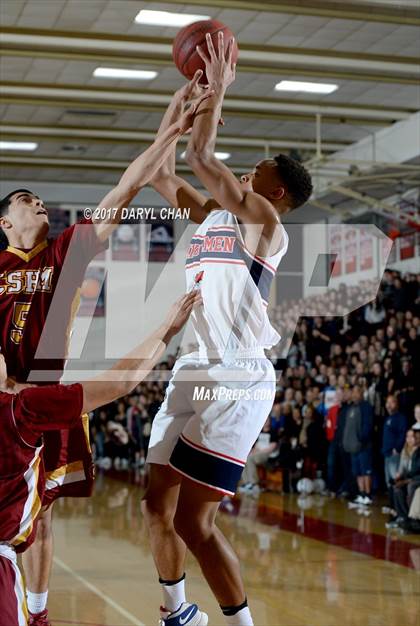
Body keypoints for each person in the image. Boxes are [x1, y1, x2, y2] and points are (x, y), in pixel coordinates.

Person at [0, 92, 211, 626]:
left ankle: (40, 614)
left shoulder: (66, 250)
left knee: (41, 515)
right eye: (26, 199)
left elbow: (129, 186)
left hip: (38, 400)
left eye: (40, 198)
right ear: (4, 222)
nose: (38, 202)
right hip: (2, 399)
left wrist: (173, 128)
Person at [144, 34, 312, 626]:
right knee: (155, 501)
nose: (247, 170)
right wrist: (185, 96)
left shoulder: (264, 221)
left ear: (277, 191)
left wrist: (218, 94)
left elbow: (201, 159)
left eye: (258, 170)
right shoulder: (215, 214)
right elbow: (163, 168)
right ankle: (176, 613)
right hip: (196, 365)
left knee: (195, 521)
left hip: (238, 375)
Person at [0, 290, 201, 626]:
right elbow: (120, 381)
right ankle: (38, 613)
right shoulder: (21, 410)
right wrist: (167, 328)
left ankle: (39, 610)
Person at [343, 386, 374, 505]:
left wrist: (362, 439)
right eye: (353, 393)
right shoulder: (350, 408)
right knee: (357, 472)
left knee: (366, 471)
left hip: (363, 446)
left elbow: (367, 425)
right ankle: (361, 494)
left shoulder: (366, 407)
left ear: (361, 394)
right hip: (352, 446)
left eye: (357, 393)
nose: (354, 395)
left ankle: (368, 495)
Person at [382, 395, 407, 489]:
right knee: (388, 480)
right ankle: (391, 502)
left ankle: (397, 503)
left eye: (391, 402)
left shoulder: (400, 418)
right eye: (387, 402)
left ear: (396, 403)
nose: (389, 405)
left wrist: (397, 448)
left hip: (394, 454)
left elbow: (402, 434)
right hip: (386, 453)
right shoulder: (388, 418)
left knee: (395, 479)